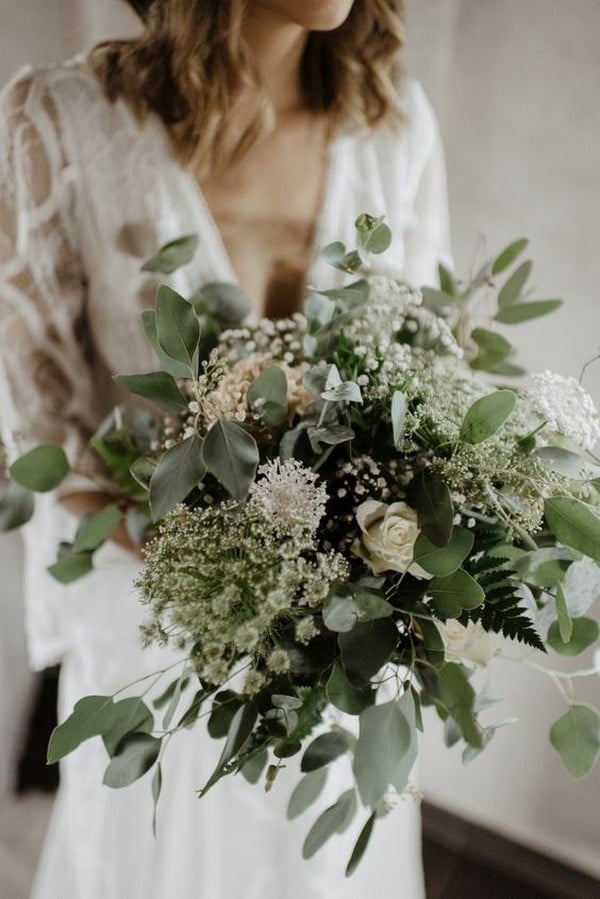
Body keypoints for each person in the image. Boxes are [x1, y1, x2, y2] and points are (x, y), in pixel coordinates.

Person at [0, 1, 451, 896]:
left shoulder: (394, 123)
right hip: (154, 626)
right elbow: (39, 421)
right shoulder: (62, 120)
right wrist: (210, 568)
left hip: (343, 635)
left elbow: (433, 379)